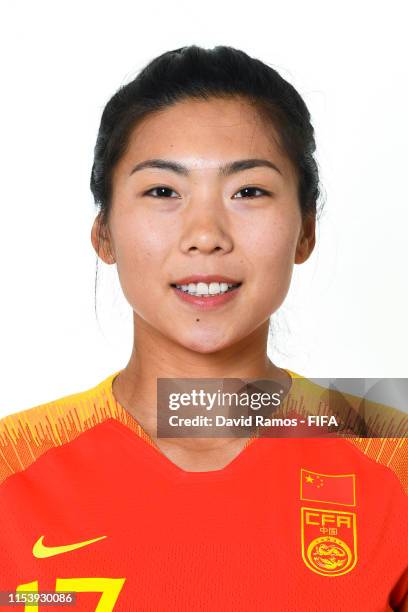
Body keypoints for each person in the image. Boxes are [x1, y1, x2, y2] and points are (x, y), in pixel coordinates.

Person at [0, 45, 407, 611]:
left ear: (305, 232)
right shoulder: (11, 468)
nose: (205, 234)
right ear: (105, 236)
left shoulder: (394, 462)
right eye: (163, 192)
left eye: (249, 191)